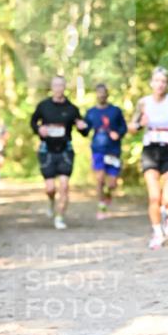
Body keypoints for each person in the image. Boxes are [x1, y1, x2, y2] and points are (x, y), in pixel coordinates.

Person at [129, 66, 168, 249]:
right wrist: (140, 124)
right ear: (151, 83)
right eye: (157, 81)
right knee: (154, 196)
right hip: (150, 150)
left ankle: (166, 215)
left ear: (167, 84)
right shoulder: (143, 103)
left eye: (163, 81)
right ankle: (157, 232)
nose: (160, 84)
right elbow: (131, 128)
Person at [30, 76, 89, 229]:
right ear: (51, 87)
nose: (58, 88)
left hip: (65, 151)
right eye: (55, 85)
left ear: (64, 87)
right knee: (50, 188)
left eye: (61, 85)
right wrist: (38, 129)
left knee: (64, 186)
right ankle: (51, 201)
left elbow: (84, 130)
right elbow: (33, 122)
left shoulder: (72, 109)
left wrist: (84, 127)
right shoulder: (43, 106)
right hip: (46, 150)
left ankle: (60, 217)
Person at [84, 83, 127, 219]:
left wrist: (118, 134)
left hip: (113, 150)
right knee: (100, 179)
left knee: (112, 183)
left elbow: (124, 127)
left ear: (107, 94)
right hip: (98, 149)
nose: (101, 95)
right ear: (96, 94)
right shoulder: (91, 112)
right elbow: (85, 130)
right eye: (99, 93)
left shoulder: (115, 111)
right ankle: (101, 206)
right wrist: (79, 126)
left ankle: (108, 196)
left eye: (104, 92)